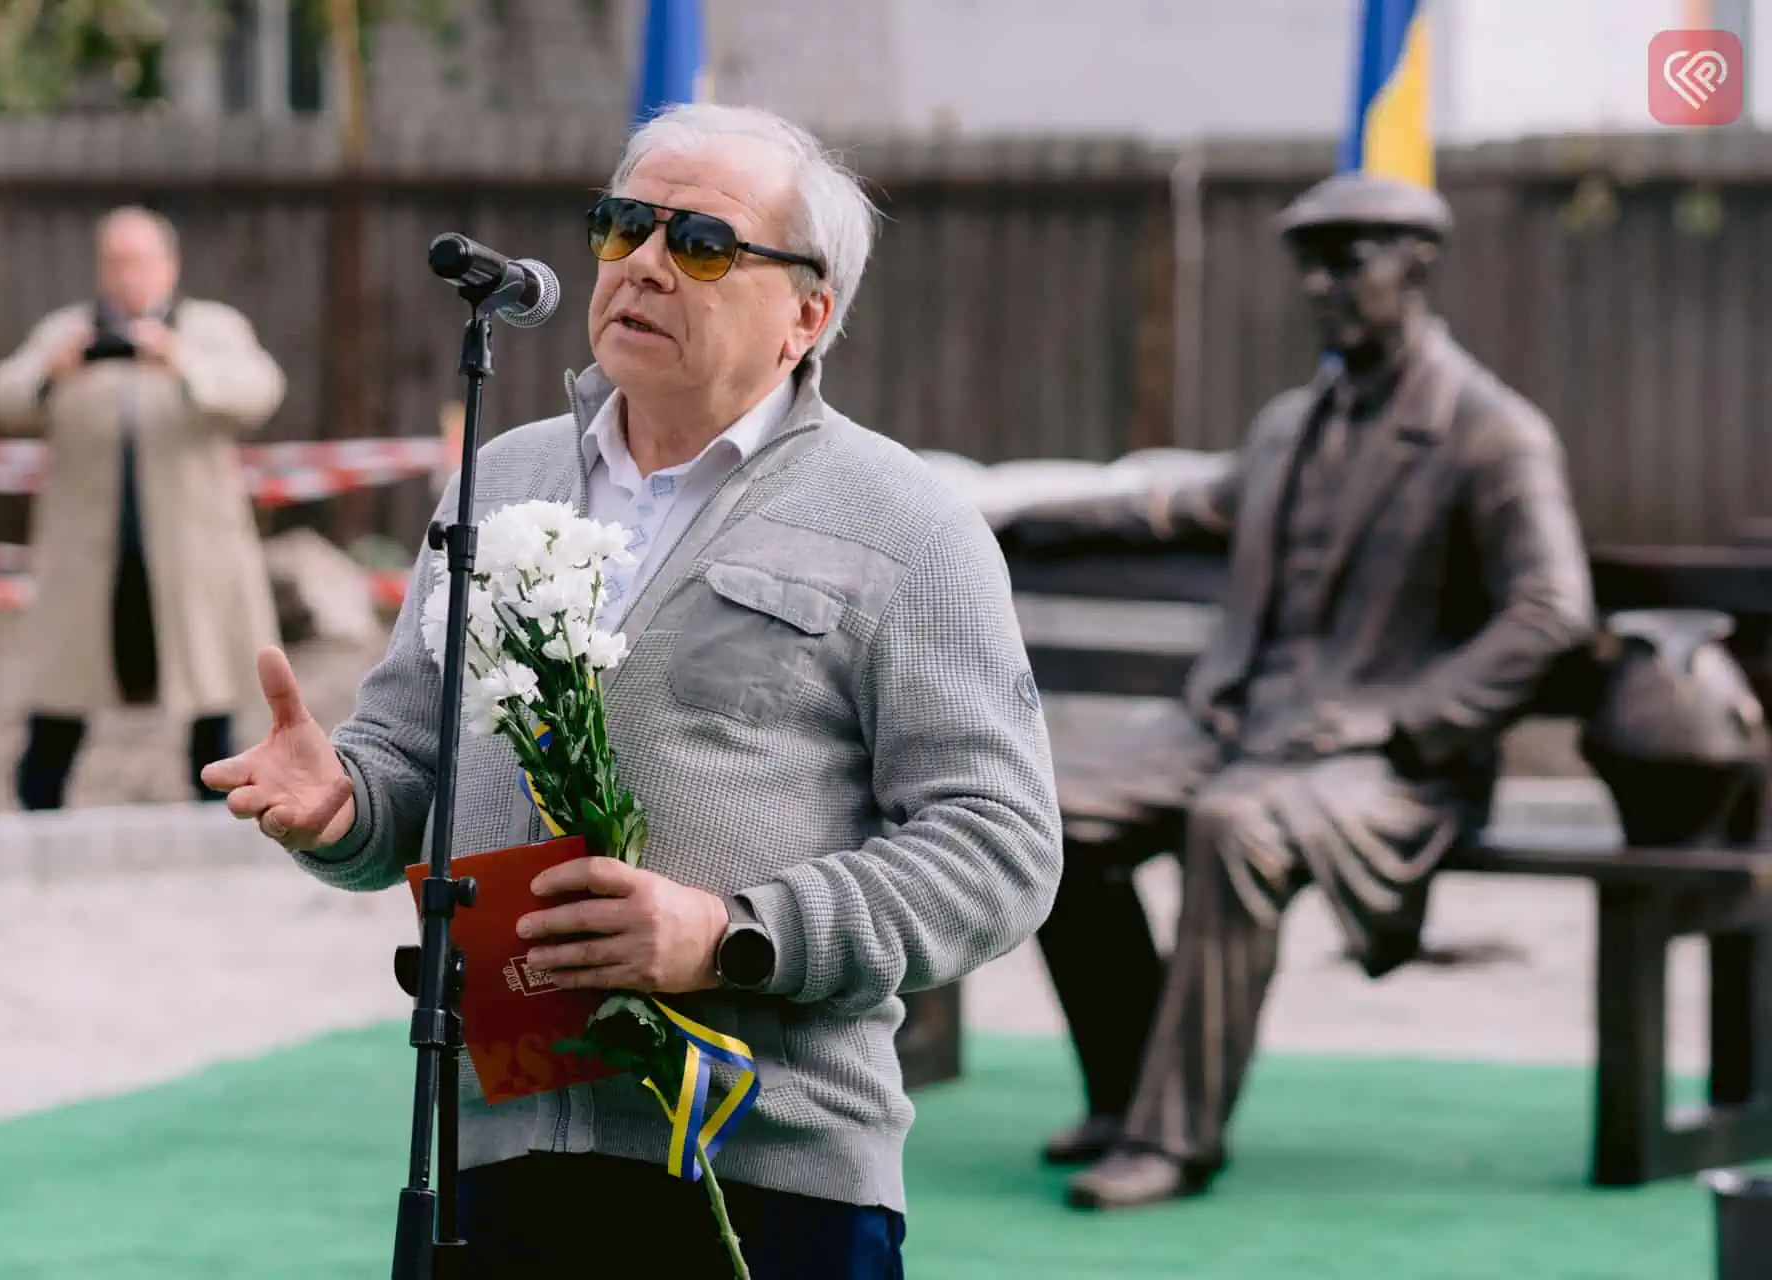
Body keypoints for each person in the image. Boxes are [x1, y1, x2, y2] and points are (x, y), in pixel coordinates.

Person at [202, 103, 1061, 1276]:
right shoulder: (500, 479)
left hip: (768, 1175)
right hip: (495, 1146)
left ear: (807, 315)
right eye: (624, 226)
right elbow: (410, 764)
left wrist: (732, 933)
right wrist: (343, 802)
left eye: (701, 242)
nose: (645, 263)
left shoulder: (905, 522)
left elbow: (1000, 845)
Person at [1031, 173, 1595, 1210]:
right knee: (1051, 818)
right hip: (1245, 727)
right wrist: (996, 519)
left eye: (1347, 261)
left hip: (1383, 760)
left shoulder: (1489, 431)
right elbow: (1168, 509)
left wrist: (1407, 719)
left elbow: (1551, 609)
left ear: (1417, 266)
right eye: (1309, 265)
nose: (1320, 286)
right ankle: (1124, 1092)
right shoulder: (1290, 427)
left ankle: (1172, 1138)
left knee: (1234, 826)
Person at [0, 206, 286, 810]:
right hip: (89, 557)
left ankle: (212, 822)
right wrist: (50, 372)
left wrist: (183, 363)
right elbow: (2, 395)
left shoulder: (211, 328)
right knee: (60, 701)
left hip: (191, 554)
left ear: (169, 265)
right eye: (115, 262)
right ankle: (39, 822)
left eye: (140, 261)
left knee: (209, 700)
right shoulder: (66, 331)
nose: (128, 275)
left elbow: (262, 390)